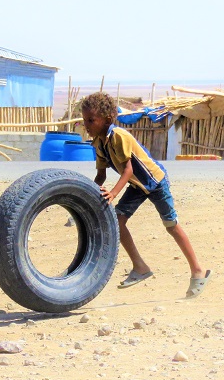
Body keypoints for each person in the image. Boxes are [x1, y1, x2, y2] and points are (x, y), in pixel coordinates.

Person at [81, 92, 211, 298]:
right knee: (117, 221)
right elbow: (101, 175)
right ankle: (140, 267)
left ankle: (198, 270)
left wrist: (114, 193)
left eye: (91, 120)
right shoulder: (98, 143)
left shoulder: (119, 137)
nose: (86, 124)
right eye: (84, 119)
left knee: (171, 226)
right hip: (137, 186)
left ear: (107, 119)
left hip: (155, 181)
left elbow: (128, 170)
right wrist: (85, 195)